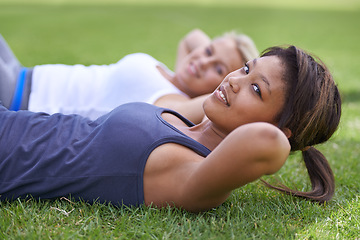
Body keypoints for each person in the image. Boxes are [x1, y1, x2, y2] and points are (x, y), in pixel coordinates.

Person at [0, 45, 341, 213]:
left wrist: (283, 132)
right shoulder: (189, 123)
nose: (235, 81)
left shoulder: (192, 174)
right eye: (244, 68)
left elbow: (269, 143)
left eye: (256, 89)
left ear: (282, 129)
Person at [0, 29, 259, 122]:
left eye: (217, 69)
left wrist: (234, 77)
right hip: (24, 73)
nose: (202, 62)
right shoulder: (173, 75)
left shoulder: (172, 104)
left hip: (20, 99)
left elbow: (217, 106)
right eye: (208, 51)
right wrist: (223, 52)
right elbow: (192, 37)